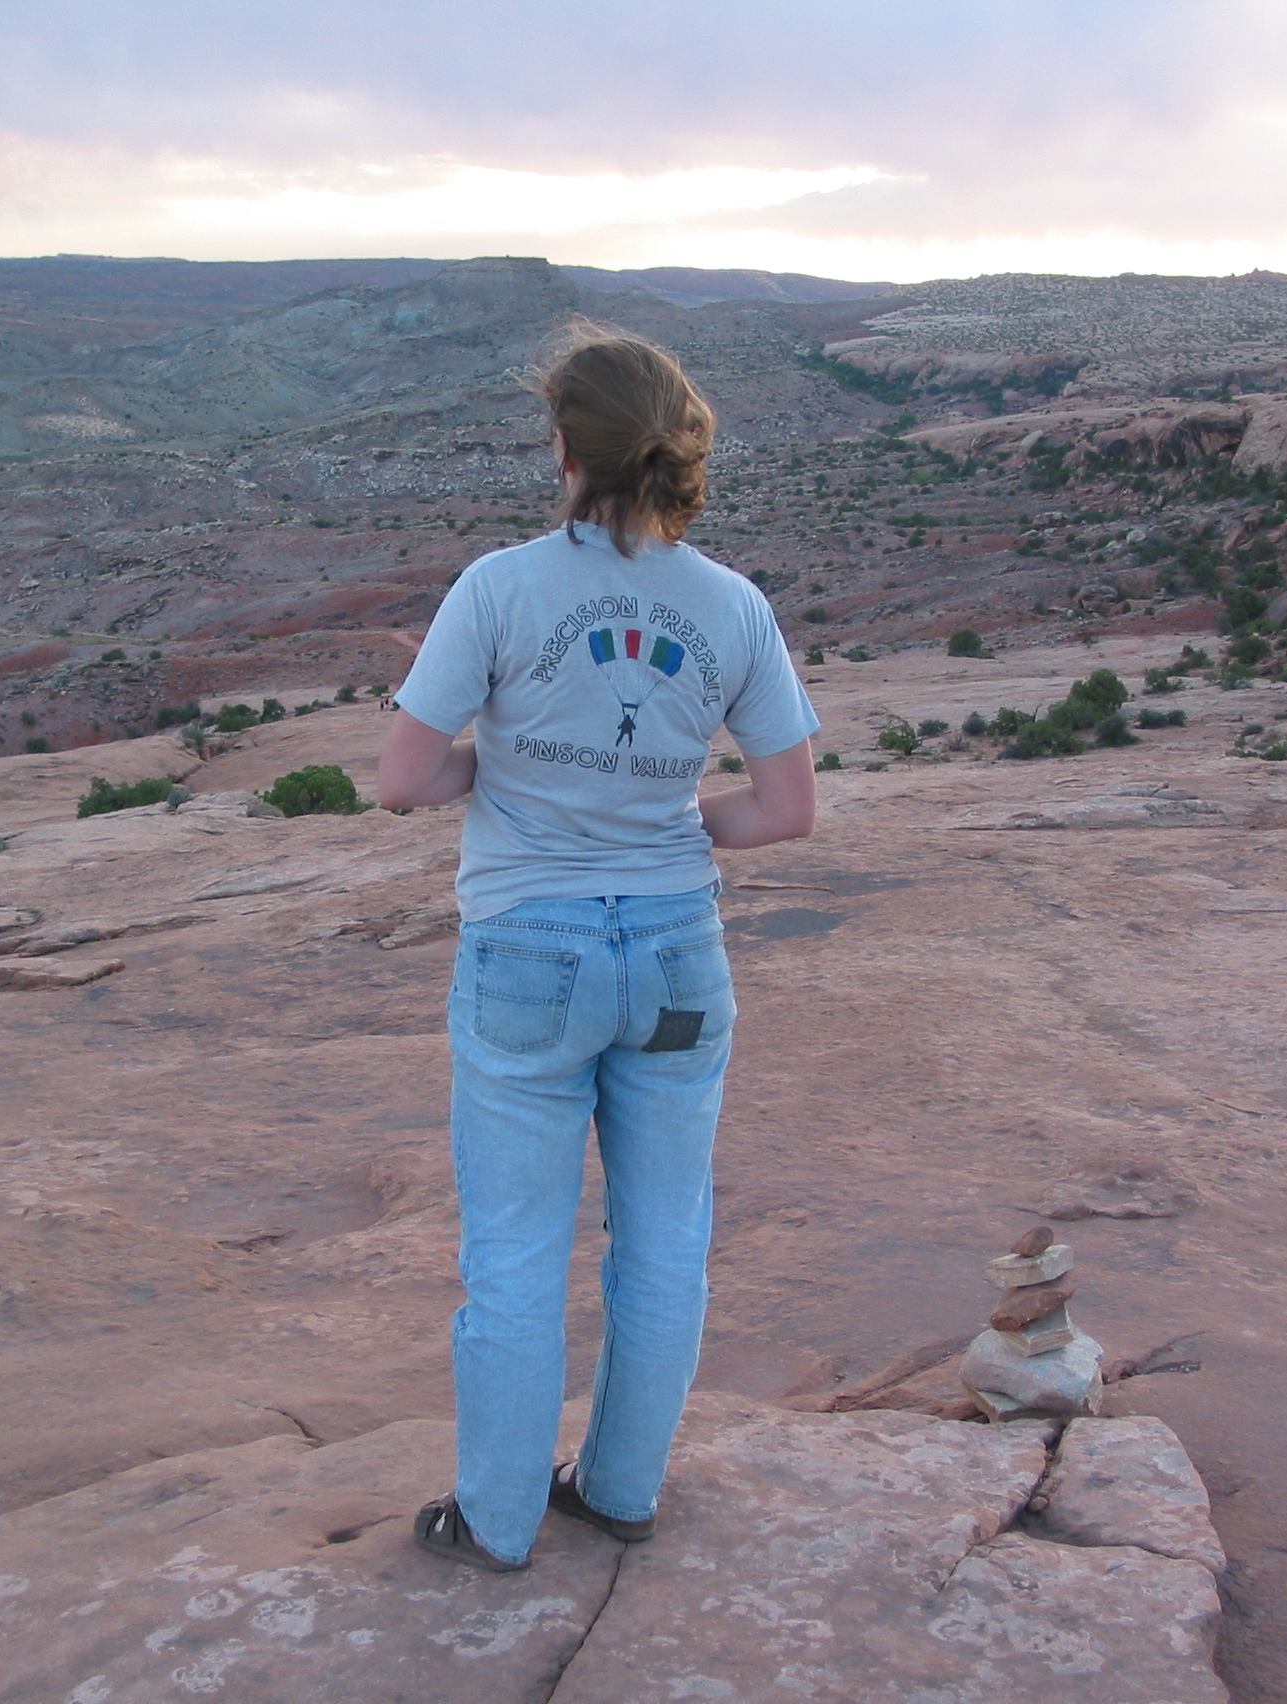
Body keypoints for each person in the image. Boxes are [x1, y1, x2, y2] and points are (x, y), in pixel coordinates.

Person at [377, 322, 819, 1572]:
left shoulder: (500, 587)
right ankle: (621, 1491)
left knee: (516, 1251)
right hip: (677, 953)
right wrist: (672, 822)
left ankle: (499, 1521)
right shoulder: (731, 604)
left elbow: (402, 780)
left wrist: (497, 769)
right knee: (666, 1235)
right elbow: (785, 810)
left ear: (562, 447)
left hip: (529, 950)